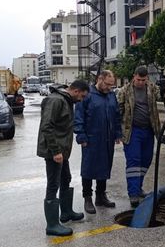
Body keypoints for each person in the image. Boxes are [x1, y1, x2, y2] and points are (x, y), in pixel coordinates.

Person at [37, 80, 89, 236]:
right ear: (76, 91)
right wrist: (55, 151)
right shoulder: (55, 100)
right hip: (54, 151)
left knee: (66, 178)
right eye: (82, 96)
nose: (81, 100)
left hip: (62, 150)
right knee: (53, 184)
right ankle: (52, 225)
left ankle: (66, 212)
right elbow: (46, 126)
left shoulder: (65, 100)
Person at [74, 70, 122, 214]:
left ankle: (101, 195)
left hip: (108, 138)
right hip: (91, 139)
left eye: (112, 85)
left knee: (105, 166)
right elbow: (78, 117)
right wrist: (81, 136)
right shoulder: (87, 95)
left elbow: (116, 115)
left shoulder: (112, 95)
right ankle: (87, 198)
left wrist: (118, 133)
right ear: (99, 79)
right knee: (88, 169)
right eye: (107, 84)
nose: (109, 87)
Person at [117, 66, 162, 208]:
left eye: (143, 80)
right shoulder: (124, 91)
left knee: (146, 160)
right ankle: (133, 194)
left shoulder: (153, 89)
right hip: (132, 131)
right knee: (134, 162)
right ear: (133, 76)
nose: (141, 83)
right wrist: (118, 132)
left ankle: (139, 187)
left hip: (149, 130)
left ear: (147, 78)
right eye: (138, 80)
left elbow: (162, 98)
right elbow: (118, 111)